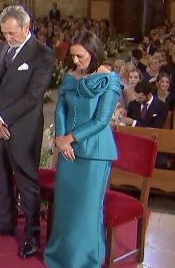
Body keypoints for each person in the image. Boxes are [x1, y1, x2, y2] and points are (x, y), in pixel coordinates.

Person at [0, 5, 55, 259]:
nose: (7, 39)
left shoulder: (43, 54)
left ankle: (32, 234)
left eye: (12, 33)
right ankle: (4, 223)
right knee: (0, 176)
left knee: (26, 182)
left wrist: (2, 119)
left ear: (25, 27)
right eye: (4, 34)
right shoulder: (2, 49)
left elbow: (33, 97)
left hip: (21, 129)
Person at [43, 31, 121, 268]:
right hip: (68, 153)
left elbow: (101, 120)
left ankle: (86, 260)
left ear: (94, 54)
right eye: (73, 56)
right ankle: (60, 256)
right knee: (66, 207)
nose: (75, 61)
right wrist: (59, 138)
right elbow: (61, 110)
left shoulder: (109, 80)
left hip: (94, 153)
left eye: (80, 56)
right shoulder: (70, 76)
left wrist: (70, 138)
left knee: (86, 210)